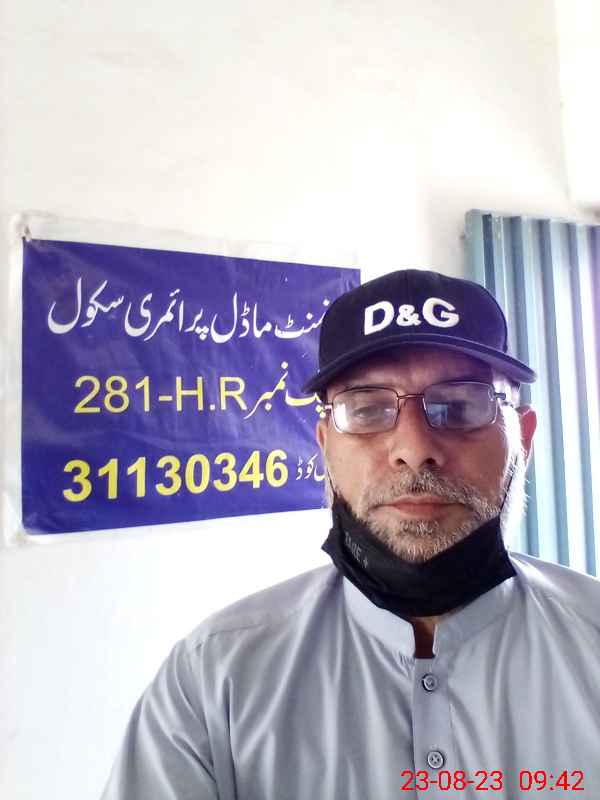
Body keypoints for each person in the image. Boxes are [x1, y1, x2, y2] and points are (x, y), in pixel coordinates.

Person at [101, 269, 600, 800]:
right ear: (326, 446)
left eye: (459, 405)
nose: (414, 449)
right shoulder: (213, 679)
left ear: (523, 437)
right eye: (367, 410)